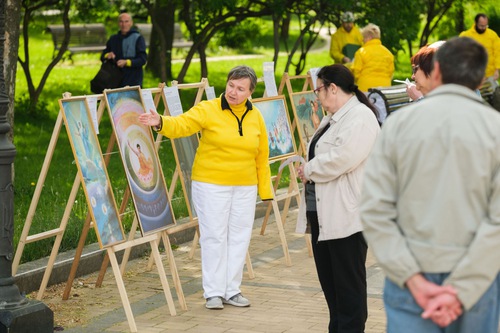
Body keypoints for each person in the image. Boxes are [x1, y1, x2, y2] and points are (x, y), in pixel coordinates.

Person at [360, 37, 500, 333]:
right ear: (479, 79)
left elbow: (374, 209)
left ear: (435, 72)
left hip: (411, 272)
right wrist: (462, 288)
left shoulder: (399, 125)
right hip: (479, 277)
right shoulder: (494, 129)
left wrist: (413, 279)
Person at [137, 65, 273, 310]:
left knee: (239, 237)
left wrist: (266, 191)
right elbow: (183, 124)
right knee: (214, 236)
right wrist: (160, 122)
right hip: (211, 184)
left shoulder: (256, 116)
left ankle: (232, 290)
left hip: (244, 187)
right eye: (231, 85)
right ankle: (213, 292)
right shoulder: (209, 109)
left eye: (240, 88)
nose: (233, 91)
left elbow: (262, 155)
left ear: (250, 92)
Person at [295, 64, 380, 333]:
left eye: (318, 89)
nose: (316, 96)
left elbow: (343, 158)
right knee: (332, 289)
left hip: (347, 217)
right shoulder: (334, 115)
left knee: (348, 290)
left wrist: (309, 169)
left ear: (333, 88)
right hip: (323, 214)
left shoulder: (360, 117)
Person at [101, 12, 147, 87]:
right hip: (114, 81)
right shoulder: (113, 39)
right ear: (118, 23)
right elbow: (102, 56)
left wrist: (126, 62)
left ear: (131, 23)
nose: (124, 24)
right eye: (121, 21)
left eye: (126, 21)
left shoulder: (138, 38)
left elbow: (142, 60)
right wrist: (107, 55)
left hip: (133, 80)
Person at [351, 23, 394, 93]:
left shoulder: (361, 52)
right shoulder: (388, 53)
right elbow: (390, 73)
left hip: (365, 90)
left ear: (369, 38)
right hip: (384, 91)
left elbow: (356, 72)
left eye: (364, 38)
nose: (363, 41)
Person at [459, 13, 500, 81]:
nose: (483, 28)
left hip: (490, 75)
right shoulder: (466, 35)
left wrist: (497, 69)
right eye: (481, 26)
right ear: (476, 23)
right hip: (472, 75)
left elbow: (498, 52)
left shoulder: (492, 35)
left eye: (485, 26)